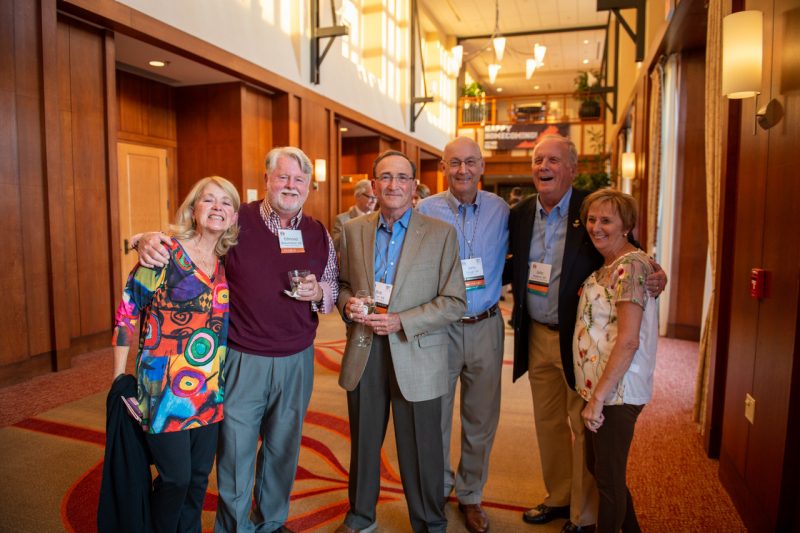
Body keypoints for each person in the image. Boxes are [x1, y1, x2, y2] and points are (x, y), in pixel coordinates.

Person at [135, 147, 339, 533]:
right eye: (283, 177)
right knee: (236, 451)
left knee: (283, 449)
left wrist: (318, 294)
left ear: (309, 186)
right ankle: (233, 527)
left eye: (299, 180)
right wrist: (142, 239)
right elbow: (191, 240)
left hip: (298, 357)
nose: (290, 186)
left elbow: (331, 285)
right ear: (267, 180)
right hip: (244, 356)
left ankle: (271, 521)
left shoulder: (317, 232)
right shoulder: (237, 220)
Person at [507, 135, 666, 533]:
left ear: (572, 170)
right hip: (537, 334)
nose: (544, 167)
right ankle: (559, 497)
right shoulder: (522, 212)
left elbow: (630, 251)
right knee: (547, 424)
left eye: (554, 160)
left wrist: (658, 272)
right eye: (538, 159)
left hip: (583, 343)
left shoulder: (591, 210)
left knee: (584, 425)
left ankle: (584, 515)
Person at [334, 150, 467, 533]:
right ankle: (360, 516)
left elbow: (455, 301)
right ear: (373, 185)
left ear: (414, 186)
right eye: (386, 177)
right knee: (363, 442)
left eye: (402, 178)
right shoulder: (354, 230)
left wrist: (401, 321)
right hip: (365, 348)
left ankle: (429, 522)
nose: (394, 185)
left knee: (422, 448)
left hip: (416, 350)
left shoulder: (440, 234)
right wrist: (349, 305)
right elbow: (343, 287)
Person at [112, 176, 240, 533]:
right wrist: (119, 379)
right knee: (175, 479)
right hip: (162, 390)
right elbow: (127, 313)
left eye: (226, 202)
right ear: (193, 209)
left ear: (232, 217)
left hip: (209, 388)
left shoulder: (224, 261)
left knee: (199, 478)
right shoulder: (164, 254)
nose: (217, 208)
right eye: (208, 200)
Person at [417, 137, 509, 533]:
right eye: (455, 162)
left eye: (471, 162)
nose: (463, 170)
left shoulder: (502, 210)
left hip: (487, 325)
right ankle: (437, 489)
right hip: (442, 328)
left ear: (483, 166)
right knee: (435, 416)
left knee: (481, 417)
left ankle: (471, 495)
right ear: (443, 166)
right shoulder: (425, 209)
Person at [574, 189, 657, 533]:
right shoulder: (610, 262)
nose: (596, 226)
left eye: (606, 220)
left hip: (616, 393)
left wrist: (597, 400)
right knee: (601, 470)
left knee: (608, 482)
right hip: (603, 389)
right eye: (592, 219)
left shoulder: (631, 266)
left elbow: (628, 341)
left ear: (627, 226)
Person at [332, 179, 377, 253]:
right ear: (358, 196)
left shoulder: (379, 218)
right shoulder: (342, 219)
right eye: (371, 197)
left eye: (376, 197)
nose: (374, 201)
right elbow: (336, 246)